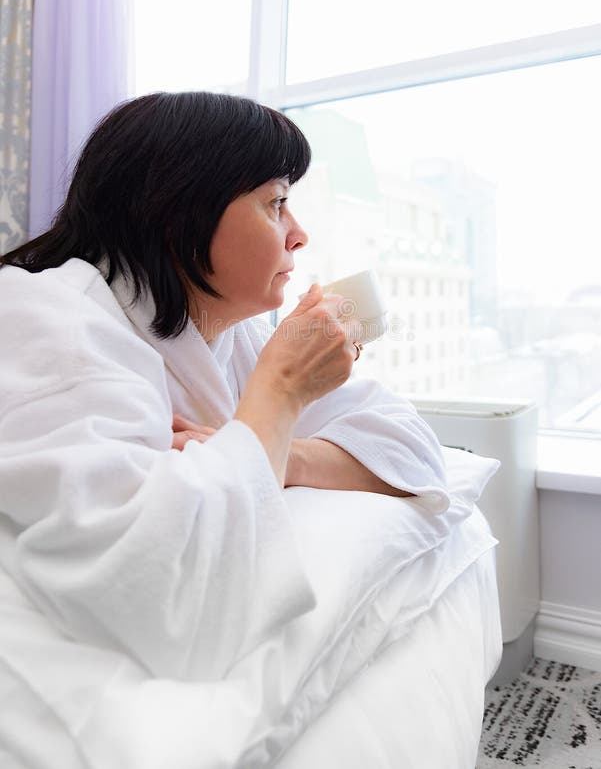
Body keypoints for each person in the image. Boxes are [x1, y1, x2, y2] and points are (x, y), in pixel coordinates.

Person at [0, 91, 448, 683]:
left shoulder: (237, 332)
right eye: (276, 204)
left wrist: (274, 451)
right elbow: (161, 590)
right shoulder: (48, 312)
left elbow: (414, 452)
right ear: (177, 210)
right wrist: (281, 392)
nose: (299, 235)